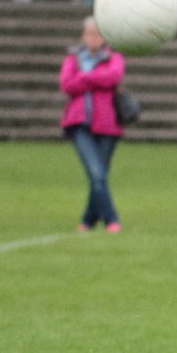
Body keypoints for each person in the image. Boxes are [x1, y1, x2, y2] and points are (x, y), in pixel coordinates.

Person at [59, 17, 126, 233]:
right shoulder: (73, 58)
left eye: (97, 33)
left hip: (107, 124)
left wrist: (85, 78)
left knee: (99, 176)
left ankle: (87, 220)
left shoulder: (113, 56)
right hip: (79, 123)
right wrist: (97, 78)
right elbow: (66, 84)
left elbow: (114, 76)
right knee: (96, 173)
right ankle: (111, 219)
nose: (93, 37)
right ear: (82, 36)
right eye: (89, 33)